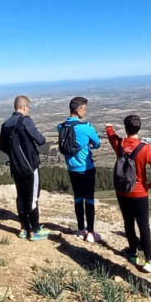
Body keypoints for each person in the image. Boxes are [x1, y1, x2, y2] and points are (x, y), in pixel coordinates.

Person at [105, 115, 151, 273]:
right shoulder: (145, 148)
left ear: (126, 128)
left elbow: (111, 135)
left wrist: (109, 126)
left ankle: (132, 252)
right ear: (139, 128)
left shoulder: (120, 144)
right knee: (143, 225)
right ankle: (149, 259)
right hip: (139, 192)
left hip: (122, 190)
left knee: (128, 222)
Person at [0, 95, 50, 241]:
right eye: (29, 107)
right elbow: (40, 140)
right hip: (30, 166)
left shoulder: (6, 124)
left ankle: (23, 228)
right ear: (24, 107)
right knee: (32, 198)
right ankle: (34, 231)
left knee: (21, 196)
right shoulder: (25, 120)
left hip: (15, 167)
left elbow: (3, 147)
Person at [57, 96, 101, 242]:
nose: (85, 112)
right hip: (86, 168)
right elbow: (97, 143)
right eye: (84, 109)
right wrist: (89, 145)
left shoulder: (61, 127)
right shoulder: (85, 127)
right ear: (78, 109)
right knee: (89, 199)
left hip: (72, 168)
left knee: (77, 198)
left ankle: (80, 229)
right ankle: (91, 232)